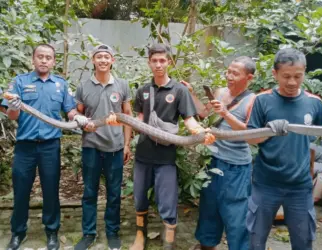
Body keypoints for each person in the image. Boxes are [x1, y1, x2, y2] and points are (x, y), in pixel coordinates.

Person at [246, 47, 322, 250]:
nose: (292, 82)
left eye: (298, 76)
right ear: (275, 74)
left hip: (300, 186)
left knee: (303, 241)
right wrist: (269, 130)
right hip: (265, 184)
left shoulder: (314, 103)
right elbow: (251, 139)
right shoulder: (262, 100)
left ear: (304, 72)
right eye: (286, 76)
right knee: (255, 240)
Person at [127, 43, 215, 250]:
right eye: (154, 61)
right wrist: (122, 120)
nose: (158, 65)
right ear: (149, 63)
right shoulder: (143, 91)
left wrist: (200, 132)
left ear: (168, 62)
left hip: (166, 156)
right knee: (139, 197)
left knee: (167, 200)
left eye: (162, 60)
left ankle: (169, 243)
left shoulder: (179, 90)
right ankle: (140, 237)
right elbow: (139, 119)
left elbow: (190, 120)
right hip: (143, 154)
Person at [1, 44, 76, 250]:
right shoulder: (20, 82)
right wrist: (14, 108)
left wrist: (78, 118)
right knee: (21, 191)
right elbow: (11, 114)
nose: (44, 60)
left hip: (50, 147)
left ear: (53, 61)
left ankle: (52, 232)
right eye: (40, 57)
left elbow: (70, 111)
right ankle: (17, 233)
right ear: (33, 59)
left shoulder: (60, 84)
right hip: (25, 147)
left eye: (48, 57)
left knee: (51, 190)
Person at [181, 56, 256, 250]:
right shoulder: (220, 92)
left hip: (236, 166)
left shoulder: (253, 101)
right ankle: (207, 245)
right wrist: (191, 94)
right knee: (209, 207)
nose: (229, 76)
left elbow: (251, 134)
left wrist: (226, 114)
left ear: (249, 78)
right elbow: (205, 114)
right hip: (213, 160)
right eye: (228, 71)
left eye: (235, 73)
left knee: (236, 214)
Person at [72, 44, 133, 250]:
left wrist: (126, 144)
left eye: (107, 57)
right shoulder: (83, 86)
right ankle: (88, 234)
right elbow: (77, 114)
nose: (103, 60)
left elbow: (128, 117)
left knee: (114, 193)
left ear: (112, 61)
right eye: (99, 57)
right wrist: (82, 122)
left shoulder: (122, 85)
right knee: (89, 192)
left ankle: (112, 232)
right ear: (93, 60)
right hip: (91, 147)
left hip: (115, 148)